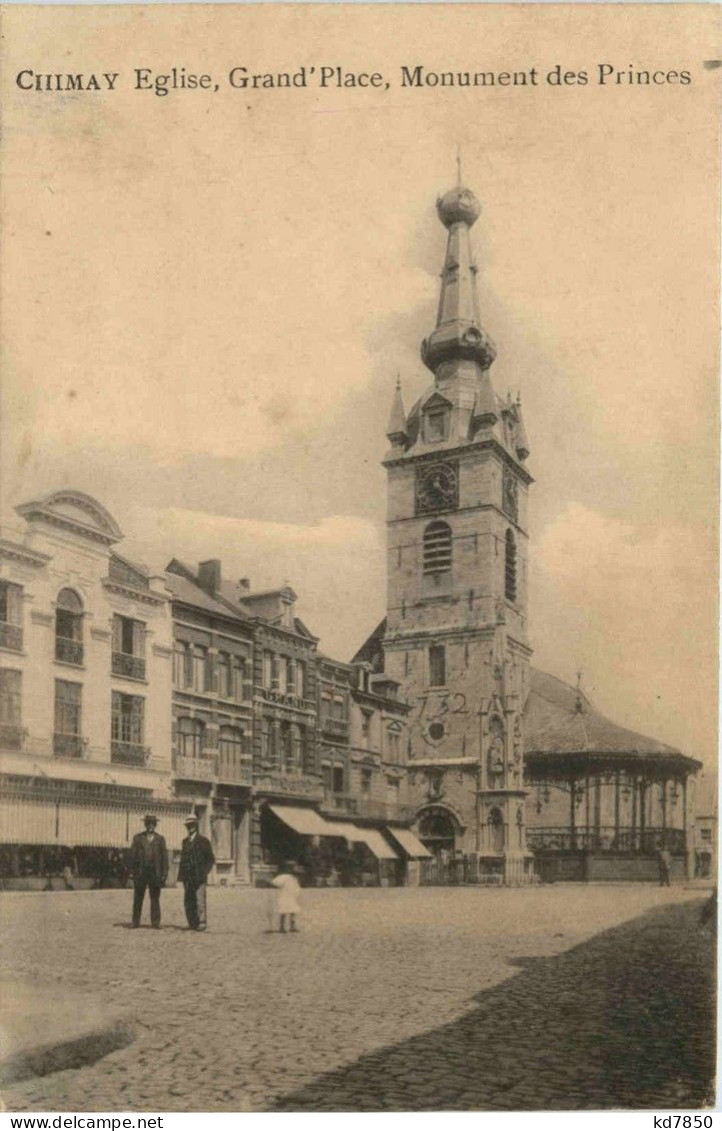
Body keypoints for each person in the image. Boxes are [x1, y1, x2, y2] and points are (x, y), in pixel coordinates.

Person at [130, 814, 168, 928]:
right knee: (138, 897)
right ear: (145, 825)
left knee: (155, 898)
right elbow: (133, 856)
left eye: (153, 824)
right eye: (148, 824)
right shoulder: (138, 838)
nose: (150, 826)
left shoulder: (160, 839)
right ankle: (135, 922)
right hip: (141, 872)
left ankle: (155, 923)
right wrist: (132, 872)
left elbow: (164, 858)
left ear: (155, 825)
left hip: (154, 872)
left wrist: (164, 873)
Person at [178, 815, 215, 931]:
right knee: (189, 900)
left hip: (199, 876)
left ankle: (202, 922)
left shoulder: (203, 841)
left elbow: (211, 859)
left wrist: (204, 872)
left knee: (200, 900)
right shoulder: (185, 842)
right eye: (188, 826)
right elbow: (182, 860)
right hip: (187, 877)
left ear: (196, 826)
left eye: (192, 825)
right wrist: (181, 877)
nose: (190, 828)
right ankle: (192, 923)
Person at [271, 860, 301, 933]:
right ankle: (282, 927)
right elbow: (275, 882)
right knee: (283, 911)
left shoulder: (294, 877)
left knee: (293, 911)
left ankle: (292, 926)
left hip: (292, 896)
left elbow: (296, 886)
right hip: (284, 896)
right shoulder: (284, 877)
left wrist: (297, 892)